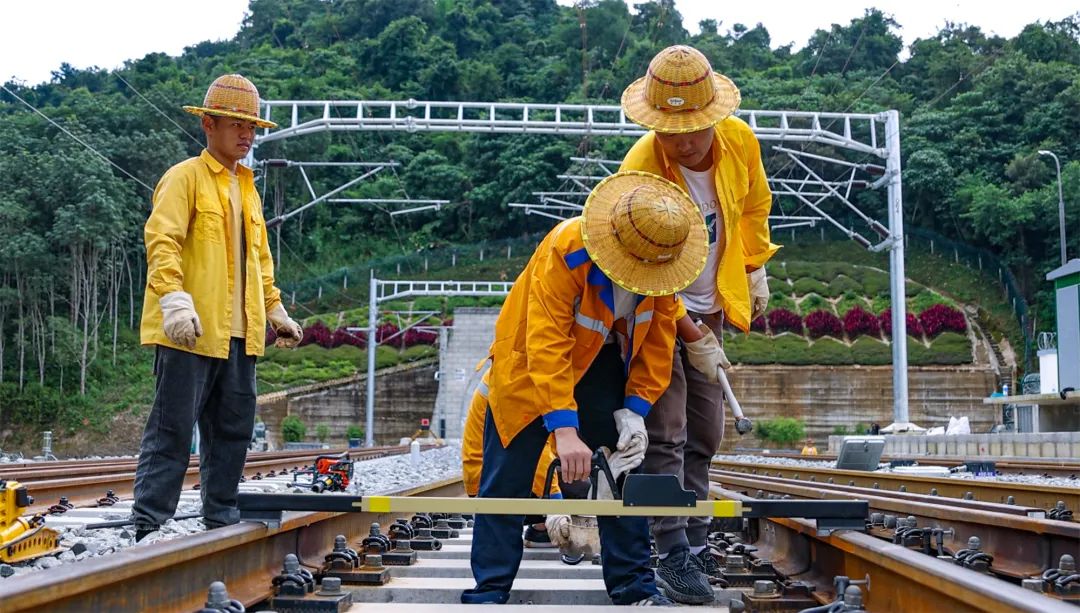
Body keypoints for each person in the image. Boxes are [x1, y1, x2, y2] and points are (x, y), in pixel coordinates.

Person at [462, 171, 708, 607]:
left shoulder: (665, 267)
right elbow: (545, 342)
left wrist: (634, 410)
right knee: (505, 482)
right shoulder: (568, 249)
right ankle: (489, 591)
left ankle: (635, 588)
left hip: (600, 364)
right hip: (528, 366)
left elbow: (656, 345)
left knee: (621, 475)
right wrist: (564, 429)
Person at [619, 45, 779, 604]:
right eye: (672, 130)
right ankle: (671, 550)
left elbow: (756, 205)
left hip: (711, 304)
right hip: (655, 310)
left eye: (694, 128)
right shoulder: (640, 168)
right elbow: (638, 268)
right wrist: (689, 331)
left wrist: (755, 268)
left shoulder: (739, 141)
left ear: (714, 116)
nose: (684, 141)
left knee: (706, 431)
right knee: (666, 430)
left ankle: (694, 534)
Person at [131, 74, 304, 541]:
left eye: (253, 127)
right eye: (236, 125)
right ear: (208, 124)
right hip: (190, 328)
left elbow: (259, 260)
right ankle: (149, 522)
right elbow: (162, 241)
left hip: (240, 332)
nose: (248, 135)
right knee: (172, 428)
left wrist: (274, 310)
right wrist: (173, 300)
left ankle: (220, 517)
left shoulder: (247, 189)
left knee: (232, 430)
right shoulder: (183, 178)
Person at [462, 368, 561, 548]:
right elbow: (537, 453)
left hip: (488, 473)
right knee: (574, 484)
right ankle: (542, 527)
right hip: (491, 481)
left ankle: (539, 529)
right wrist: (557, 504)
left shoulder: (514, 371)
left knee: (572, 471)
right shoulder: (523, 381)